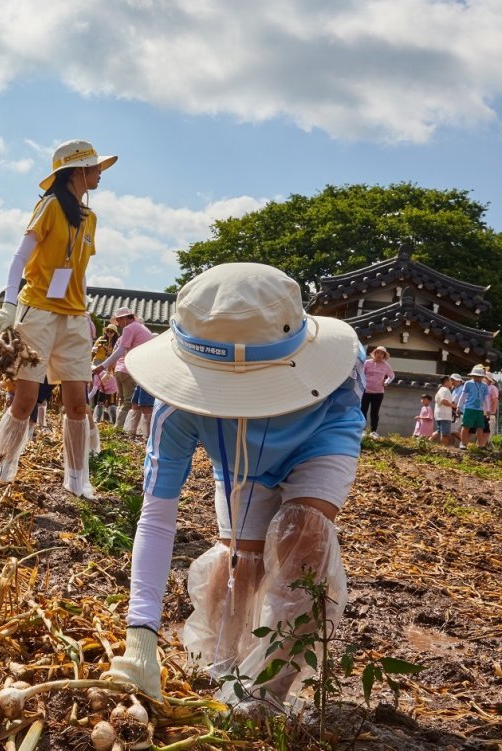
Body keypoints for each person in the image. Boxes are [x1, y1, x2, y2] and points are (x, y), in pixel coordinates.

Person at [103, 262, 364, 715]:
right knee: (240, 561)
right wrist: (140, 634)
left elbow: (347, 415)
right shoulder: (178, 410)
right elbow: (157, 515)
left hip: (318, 438)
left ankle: (266, 692)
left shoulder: (341, 365)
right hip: (238, 459)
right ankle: (220, 664)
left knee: (302, 537)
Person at [0, 139, 118, 498]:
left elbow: (80, 271)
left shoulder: (91, 219)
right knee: (24, 400)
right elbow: (18, 258)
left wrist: (85, 310)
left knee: (77, 402)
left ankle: (76, 480)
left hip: (73, 316)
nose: (100, 174)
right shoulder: (49, 206)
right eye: (95, 168)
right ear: (76, 171)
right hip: (37, 310)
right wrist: (9, 306)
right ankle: (0, 470)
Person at [98, 308, 153, 433]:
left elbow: (121, 350)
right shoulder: (141, 328)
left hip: (128, 370)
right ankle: (134, 431)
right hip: (138, 369)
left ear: (124, 318)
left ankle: (120, 428)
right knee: (132, 402)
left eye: (119, 320)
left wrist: (103, 366)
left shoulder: (129, 328)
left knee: (127, 402)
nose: (119, 324)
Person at [361, 346, 394, 438]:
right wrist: (362, 384)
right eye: (378, 352)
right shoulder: (367, 363)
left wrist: (386, 382)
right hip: (366, 391)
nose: (379, 355)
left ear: (384, 355)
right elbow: (361, 373)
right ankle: (362, 430)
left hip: (378, 392)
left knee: (374, 412)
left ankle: (373, 431)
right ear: (374, 353)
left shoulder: (386, 365)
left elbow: (392, 376)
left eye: (382, 353)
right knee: (363, 410)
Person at [457, 365, 492, 449]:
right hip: (469, 408)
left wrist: (488, 409)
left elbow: (486, 398)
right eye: (476, 376)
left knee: (480, 427)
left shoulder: (484, 385)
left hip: (480, 410)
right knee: (466, 426)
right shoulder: (468, 383)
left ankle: (480, 445)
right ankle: (463, 443)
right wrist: (459, 406)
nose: (478, 378)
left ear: (482, 377)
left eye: (480, 377)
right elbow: (463, 395)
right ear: (472, 376)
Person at [433, 374, 458, 446]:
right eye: (450, 380)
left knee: (440, 431)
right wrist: (453, 405)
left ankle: (429, 442)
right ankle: (444, 448)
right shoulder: (445, 390)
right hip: (444, 415)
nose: (451, 382)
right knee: (445, 434)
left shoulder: (441, 390)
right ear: (446, 381)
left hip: (440, 415)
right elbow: (444, 401)